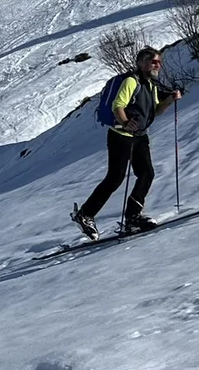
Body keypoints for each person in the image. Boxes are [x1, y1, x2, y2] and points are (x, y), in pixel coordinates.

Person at [71, 47, 183, 240]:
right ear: (141, 63)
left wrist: (169, 100)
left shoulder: (150, 85)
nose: (157, 64)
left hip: (139, 136)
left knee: (146, 174)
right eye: (153, 61)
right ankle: (85, 214)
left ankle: (133, 217)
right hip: (121, 136)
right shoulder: (132, 81)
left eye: (158, 61)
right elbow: (117, 105)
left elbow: (153, 111)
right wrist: (125, 123)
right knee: (116, 177)